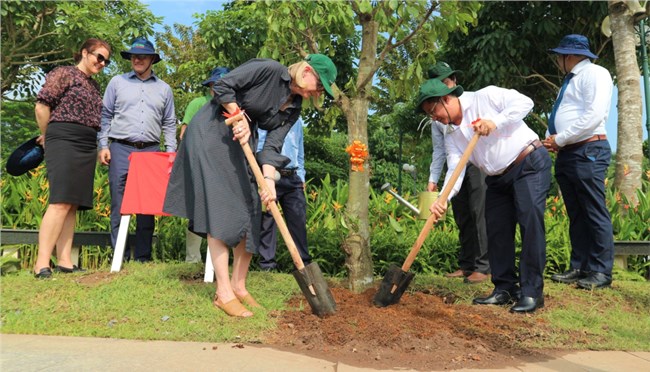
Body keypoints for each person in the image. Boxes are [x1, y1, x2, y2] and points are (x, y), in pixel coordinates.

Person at [163, 54, 337, 317]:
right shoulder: (270, 70)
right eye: (320, 83)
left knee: (254, 206)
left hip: (241, 141)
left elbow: (272, 146)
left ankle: (239, 285)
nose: (319, 90)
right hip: (212, 133)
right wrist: (238, 114)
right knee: (221, 207)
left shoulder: (294, 105)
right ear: (308, 71)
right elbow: (223, 85)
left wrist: (268, 181)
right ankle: (223, 293)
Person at [418, 78, 552, 313]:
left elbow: (525, 102)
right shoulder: (452, 136)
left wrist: (495, 122)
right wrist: (443, 199)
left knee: (530, 224)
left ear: (447, 99)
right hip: (497, 179)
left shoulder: (485, 96)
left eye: (434, 111)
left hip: (527, 162)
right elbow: (455, 168)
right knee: (497, 231)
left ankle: (531, 292)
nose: (434, 118)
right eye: (429, 115)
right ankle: (504, 288)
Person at [32, 38, 112, 278]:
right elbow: (41, 106)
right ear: (85, 52)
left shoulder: (94, 86)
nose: (102, 63)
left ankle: (65, 261)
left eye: (106, 61)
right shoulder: (63, 73)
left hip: (87, 143)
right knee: (59, 201)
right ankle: (41, 263)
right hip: (63, 138)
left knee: (72, 204)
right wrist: (46, 136)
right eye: (99, 57)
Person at [543, 34, 615, 290]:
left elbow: (594, 115)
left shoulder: (595, 74)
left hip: (588, 150)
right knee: (576, 212)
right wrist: (554, 139)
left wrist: (560, 138)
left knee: (593, 210)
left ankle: (600, 271)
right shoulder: (570, 80)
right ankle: (580, 265)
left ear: (569, 56)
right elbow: (565, 113)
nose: (557, 61)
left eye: (559, 56)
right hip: (569, 151)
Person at [98, 38, 177, 262]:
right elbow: (105, 116)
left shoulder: (164, 89)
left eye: (142, 56)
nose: (137, 59)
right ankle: (119, 256)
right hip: (120, 148)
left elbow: (169, 123)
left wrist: (171, 153)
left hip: (151, 151)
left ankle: (143, 256)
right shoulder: (117, 82)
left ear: (152, 59)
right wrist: (103, 145)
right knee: (119, 203)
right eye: (134, 55)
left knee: (147, 205)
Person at [426, 62, 489, 283]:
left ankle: (483, 267)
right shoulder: (434, 116)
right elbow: (440, 149)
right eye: (440, 82)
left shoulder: (471, 102)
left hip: (476, 162)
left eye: (448, 80)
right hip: (455, 165)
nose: (447, 85)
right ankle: (467, 264)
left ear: (454, 82)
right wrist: (433, 178)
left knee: (478, 211)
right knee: (462, 213)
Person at [180, 66, 231, 263]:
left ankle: (216, 261)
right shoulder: (197, 104)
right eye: (215, 85)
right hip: (198, 165)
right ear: (209, 86)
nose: (217, 89)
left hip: (223, 168)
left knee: (221, 213)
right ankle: (192, 258)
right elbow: (184, 135)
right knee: (197, 211)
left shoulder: (235, 106)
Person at [257, 117, 311, 272]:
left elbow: (299, 150)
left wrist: (301, 177)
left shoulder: (297, 120)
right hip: (270, 174)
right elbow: (261, 147)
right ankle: (267, 266)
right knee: (267, 220)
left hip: (293, 176)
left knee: (298, 220)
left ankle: (303, 265)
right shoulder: (267, 117)